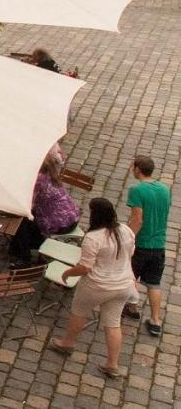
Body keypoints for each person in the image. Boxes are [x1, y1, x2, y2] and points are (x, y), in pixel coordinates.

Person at [49, 198, 136, 378]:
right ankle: (112, 363)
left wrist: (67, 273)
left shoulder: (93, 237)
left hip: (97, 285)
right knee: (113, 323)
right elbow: (131, 252)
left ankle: (68, 343)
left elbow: (85, 267)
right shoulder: (125, 230)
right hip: (123, 285)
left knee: (79, 311)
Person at [125, 155, 169, 336]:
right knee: (154, 284)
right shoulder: (165, 189)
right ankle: (155, 320)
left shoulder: (137, 190)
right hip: (159, 244)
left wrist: (128, 238)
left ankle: (132, 308)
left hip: (141, 243)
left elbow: (137, 219)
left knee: (131, 276)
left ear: (137, 169)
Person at [9, 156, 81, 262]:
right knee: (27, 220)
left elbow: (28, 206)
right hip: (71, 217)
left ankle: (23, 255)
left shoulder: (38, 179)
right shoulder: (50, 173)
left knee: (21, 222)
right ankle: (25, 247)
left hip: (59, 223)